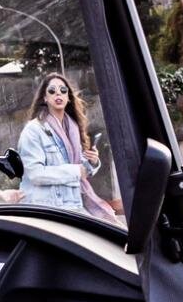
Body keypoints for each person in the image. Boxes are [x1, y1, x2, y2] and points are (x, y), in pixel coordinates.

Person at [17, 74, 119, 222]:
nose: (58, 93)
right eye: (52, 91)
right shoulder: (34, 130)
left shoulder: (73, 128)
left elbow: (79, 169)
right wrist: (77, 171)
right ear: (45, 98)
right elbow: (35, 174)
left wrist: (92, 162)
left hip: (72, 205)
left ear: (68, 97)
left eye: (63, 90)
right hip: (46, 210)